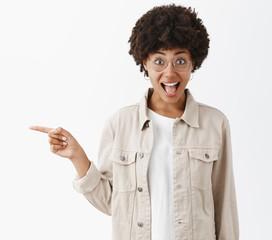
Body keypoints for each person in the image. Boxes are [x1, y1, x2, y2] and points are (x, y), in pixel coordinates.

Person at [30, 4, 239, 240]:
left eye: (180, 61)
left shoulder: (215, 123)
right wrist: (77, 156)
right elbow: (112, 203)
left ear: (193, 63)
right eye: (159, 61)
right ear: (145, 63)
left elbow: (225, 207)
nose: (170, 74)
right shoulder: (120, 124)